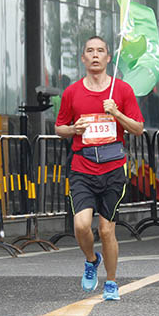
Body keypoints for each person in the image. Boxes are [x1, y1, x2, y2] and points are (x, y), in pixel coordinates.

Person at [55, 36, 144, 300]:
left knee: (106, 229)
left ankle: (112, 283)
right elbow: (59, 127)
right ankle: (91, 260)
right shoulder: (72, 92)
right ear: (83, 59)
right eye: (89, 51)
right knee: (81, 225)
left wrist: (116, 113)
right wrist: (74, 129)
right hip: (82, 167)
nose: (95, 55)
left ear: (108, 59)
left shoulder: (122, 90)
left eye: (100, 51)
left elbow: (138, 128)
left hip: (113, 167)